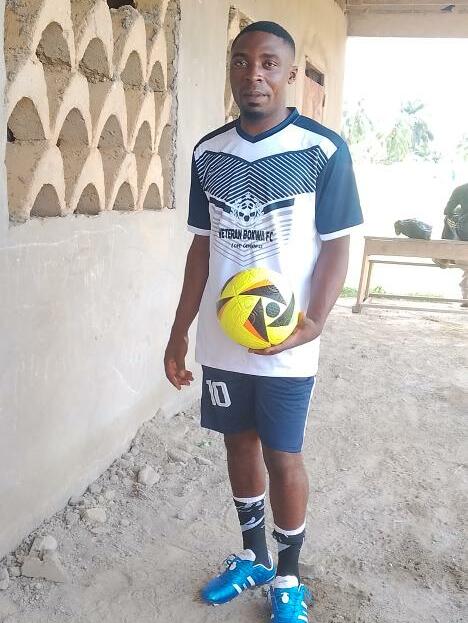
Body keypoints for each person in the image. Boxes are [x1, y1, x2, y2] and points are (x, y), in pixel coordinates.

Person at [164, 21, 363, 622]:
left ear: (291, 73)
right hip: (225, 336)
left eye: (270, 63)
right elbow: (202, 247)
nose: (255, 74)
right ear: (231, 68)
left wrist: (316, 321)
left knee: (283, 454)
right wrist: (179, 330)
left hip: (286, 338)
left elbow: (337, 246)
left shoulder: (322, 150)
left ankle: (288, 576)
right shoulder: (209, 152)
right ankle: (253, 555)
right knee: (238, 442)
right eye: (242, 61)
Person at [440, 183, 468, 306]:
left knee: (448, 219)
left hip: (465, 232)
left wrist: (460, 210)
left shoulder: (461, 189)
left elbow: (447, 211)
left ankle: (443, 256)